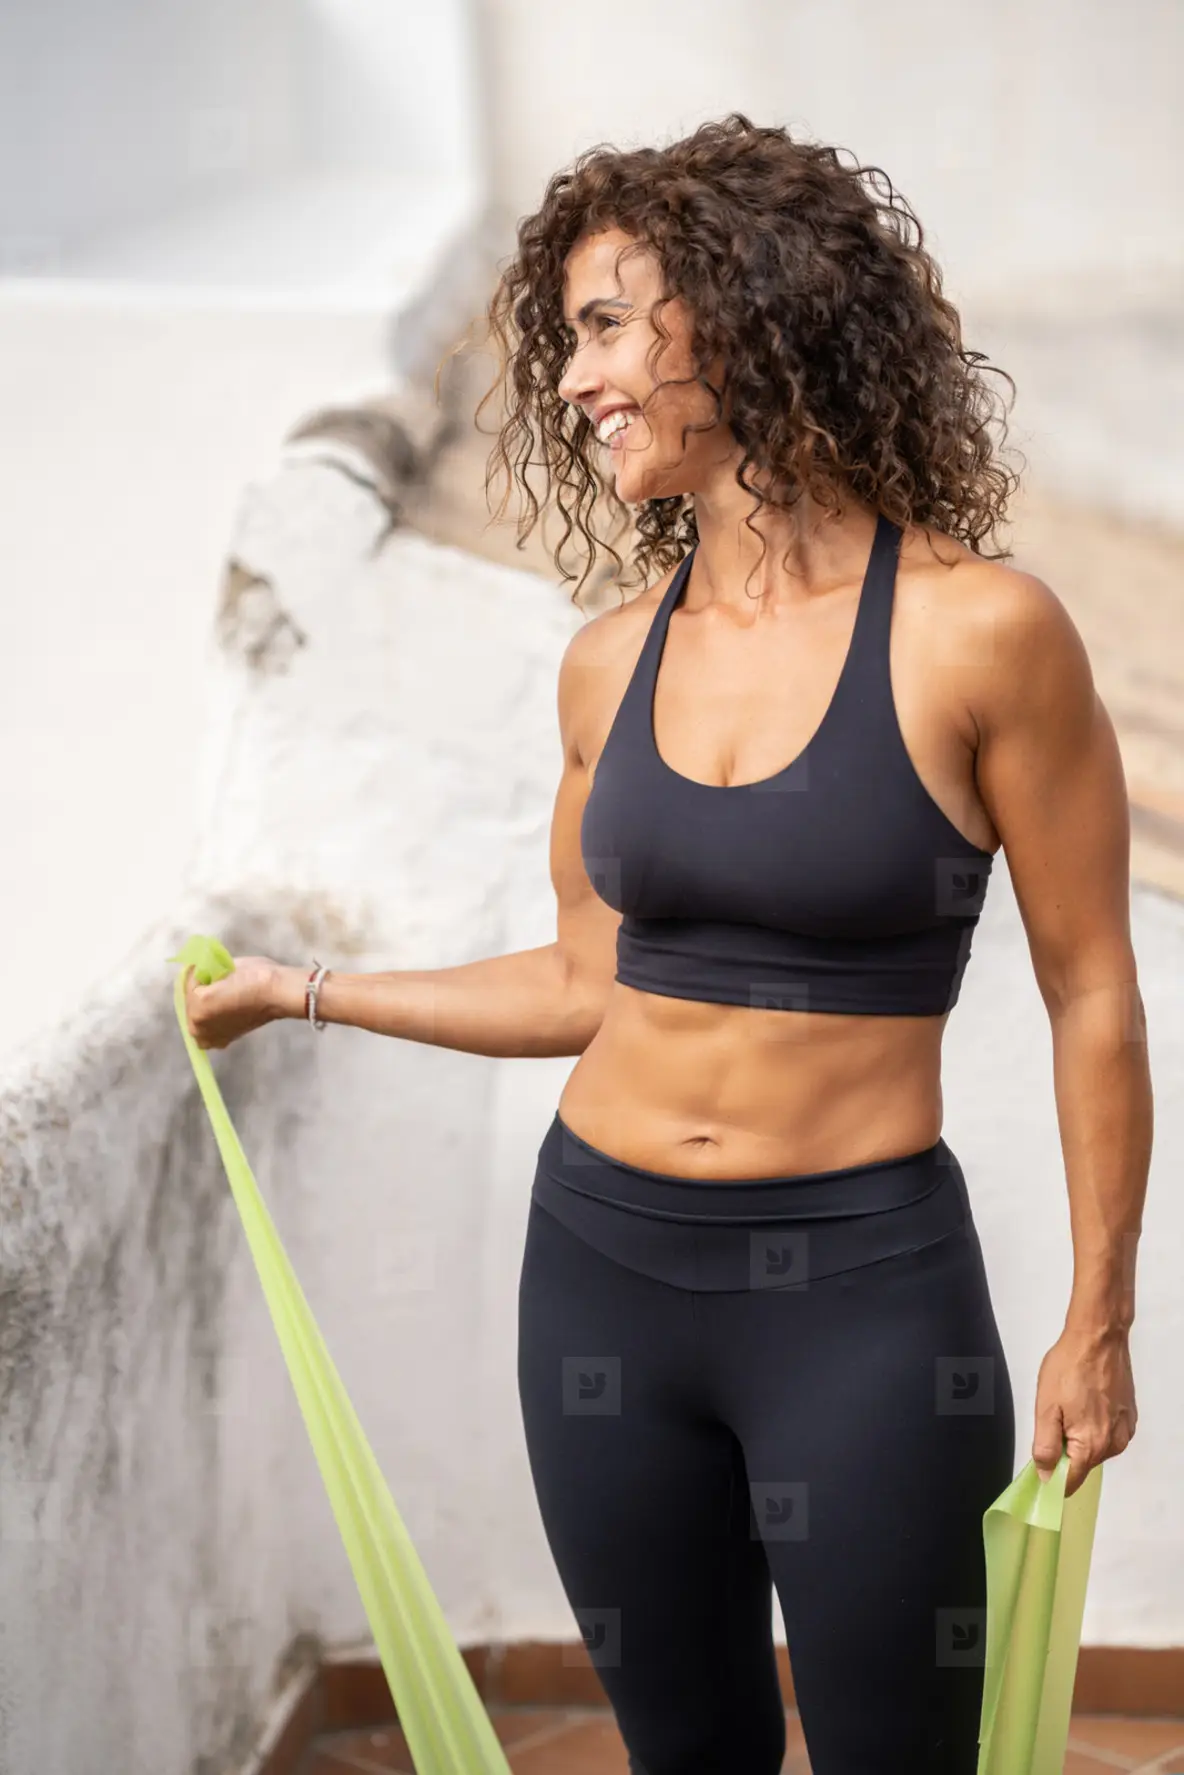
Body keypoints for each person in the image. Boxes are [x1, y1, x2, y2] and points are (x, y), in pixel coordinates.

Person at [184, 114, 1149, 1775]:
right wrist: (304, 993)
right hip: (604, 1281)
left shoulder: (984, 634)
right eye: (571, 340)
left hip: (862, 1293)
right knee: (681, 1750)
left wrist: (1100, 1312)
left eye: (609, 324)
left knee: (893, 1751)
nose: (574, 381)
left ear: (751, 306)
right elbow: (581, 982)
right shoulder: (608, 660)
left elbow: (1093, 992)